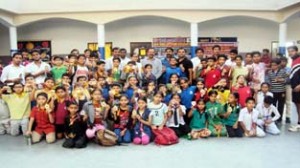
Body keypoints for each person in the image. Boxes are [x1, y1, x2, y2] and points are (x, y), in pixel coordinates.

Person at [265, 58, 286, 122]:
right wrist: (269, 84)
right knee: (272, 104)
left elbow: (288, 80)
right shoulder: (269, 72)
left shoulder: (283, 71)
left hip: (281, 91)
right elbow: (268, 80)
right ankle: (273, 117)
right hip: (272, 91)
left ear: (278, 65)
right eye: (271, 65)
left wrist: (282, 80)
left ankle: (279, 118)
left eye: (274, 65)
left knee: (281, 105)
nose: (273, 67)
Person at [288, 46, 300, 132]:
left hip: (299, 87)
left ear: (296, 51)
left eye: (292, 51)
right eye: (289, 51)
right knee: (298, 106)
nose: (290, 53)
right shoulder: (293, 61)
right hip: (294, 88)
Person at [280, 57, 291, 123]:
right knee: (281, 102)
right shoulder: (278, 69)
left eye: (284, 61)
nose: (282, 63)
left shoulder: (289, 69)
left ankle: (288, 116)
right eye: (281, 61)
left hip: (288, 86)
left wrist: (283, 77)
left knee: (288, 101)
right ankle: (280, 115)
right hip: (279, 86)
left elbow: (289, 77)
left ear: (287, 62)